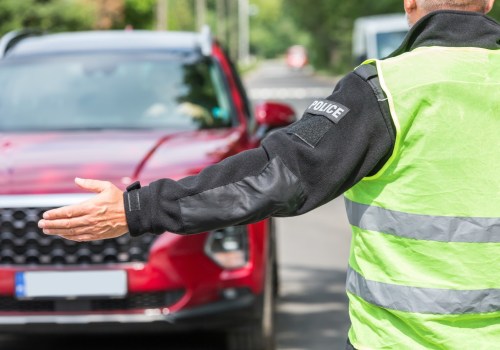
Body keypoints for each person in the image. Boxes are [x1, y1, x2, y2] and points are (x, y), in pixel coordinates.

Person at [38, 0, 500, 348]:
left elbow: (276, 176)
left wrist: (139, 207)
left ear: (410, 3)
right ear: (487, 1)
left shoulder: (385, 91)